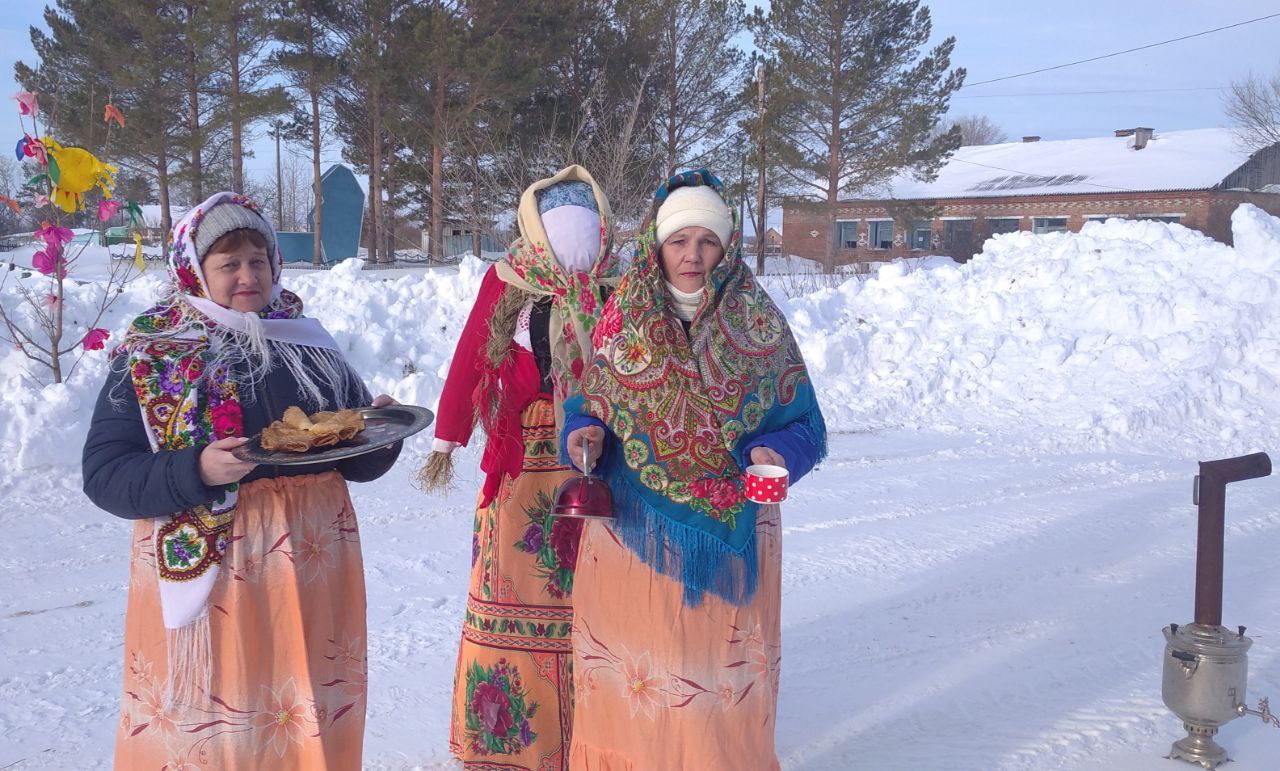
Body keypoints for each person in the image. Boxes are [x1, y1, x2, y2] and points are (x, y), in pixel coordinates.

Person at [81, 192, 402, 768]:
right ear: (195, 270)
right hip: (218, 586)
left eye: (258, 260)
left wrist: (380, 431)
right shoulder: (155, 353)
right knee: (220, 732)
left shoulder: (307, 344)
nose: (249, 276)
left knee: (305, 716)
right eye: (229, 264)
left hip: (313, 573)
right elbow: (105, 474)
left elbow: (356, 461)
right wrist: (197, 469)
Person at [562, 169, 827, 769]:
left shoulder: (758, 320)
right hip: (635, 529)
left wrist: (778, 453)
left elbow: (807, 422)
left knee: (714, 688)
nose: (693, 255)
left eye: (707, 241)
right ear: (657, 246)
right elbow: (590, 404)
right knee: (639, 676)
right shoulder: (623, 319)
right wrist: (580, 434)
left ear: (726, 248)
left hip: (734, 534)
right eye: (679, 240)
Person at [422, 166, 618, 769]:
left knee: (597, 595)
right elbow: (471, 355)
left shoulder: (620, 284)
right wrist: (447, 436)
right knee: (512, 583)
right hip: (521, 456)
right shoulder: (509, 279)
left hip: (599, 453)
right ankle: (510, 740)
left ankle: (600, 738)